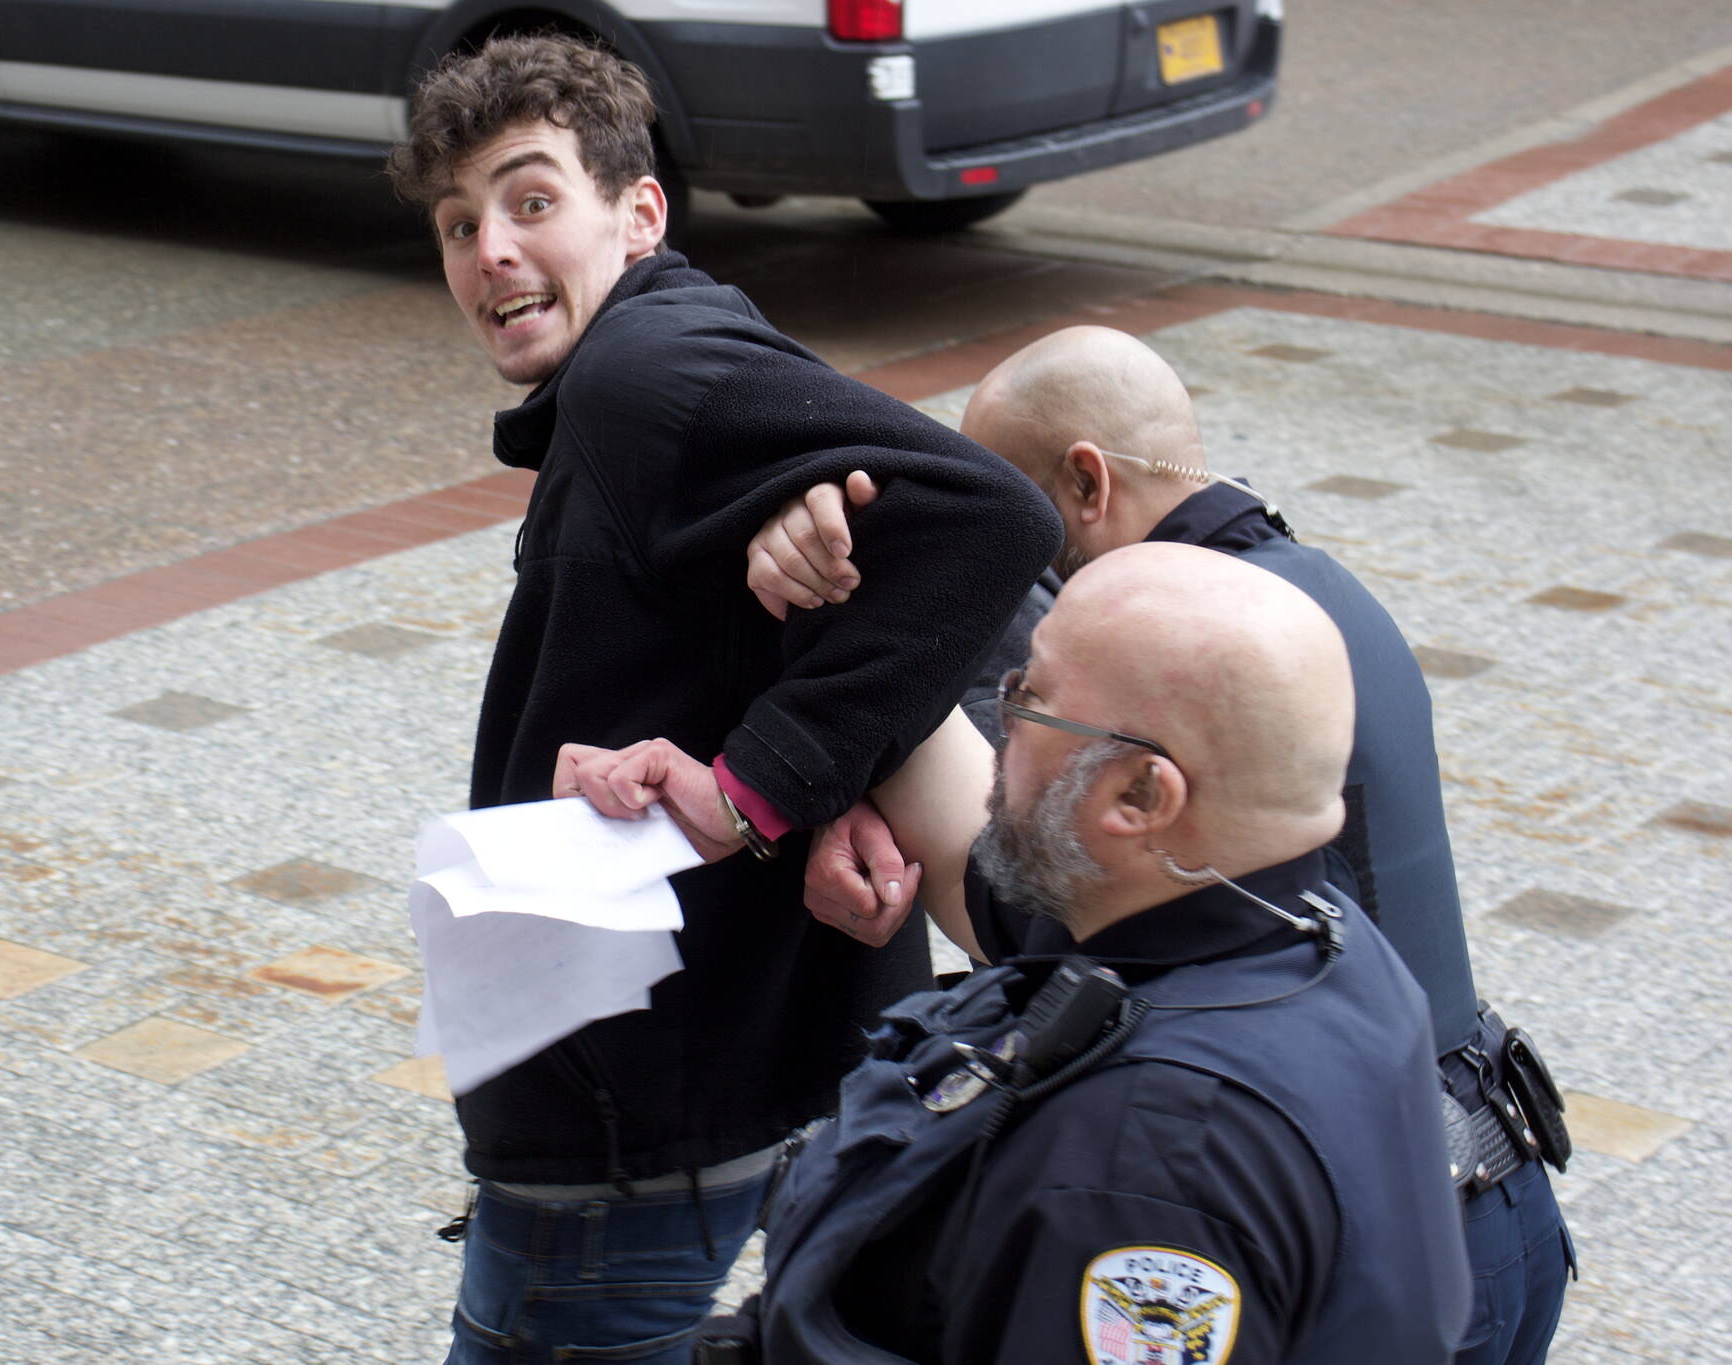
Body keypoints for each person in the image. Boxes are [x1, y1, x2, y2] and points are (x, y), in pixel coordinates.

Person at [385, 35, 1060, 1362]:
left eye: (531, 202)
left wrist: (759, 785)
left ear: (640, 214)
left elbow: (991, 518)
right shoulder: (651, 368)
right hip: (744, 1061)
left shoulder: (646, 376)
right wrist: (829, 777)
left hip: (632, 1116)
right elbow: (837, 584)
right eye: (460, 224)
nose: (489, 253)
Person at [747, 325, 1572, 1364]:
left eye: (1027, 703)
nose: (995, 561)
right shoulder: (1289, 597)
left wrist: (858, 582)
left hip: (1346, 1233)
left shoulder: (1149, 1149)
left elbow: (1010, 891)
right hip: (1473, 1206)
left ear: (1084, 483)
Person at [570, 544, 1474, 1362]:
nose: (1001, 731)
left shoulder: (1147, 1159)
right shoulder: (1315, 936)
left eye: (1028, 699)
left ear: (1140, 793)